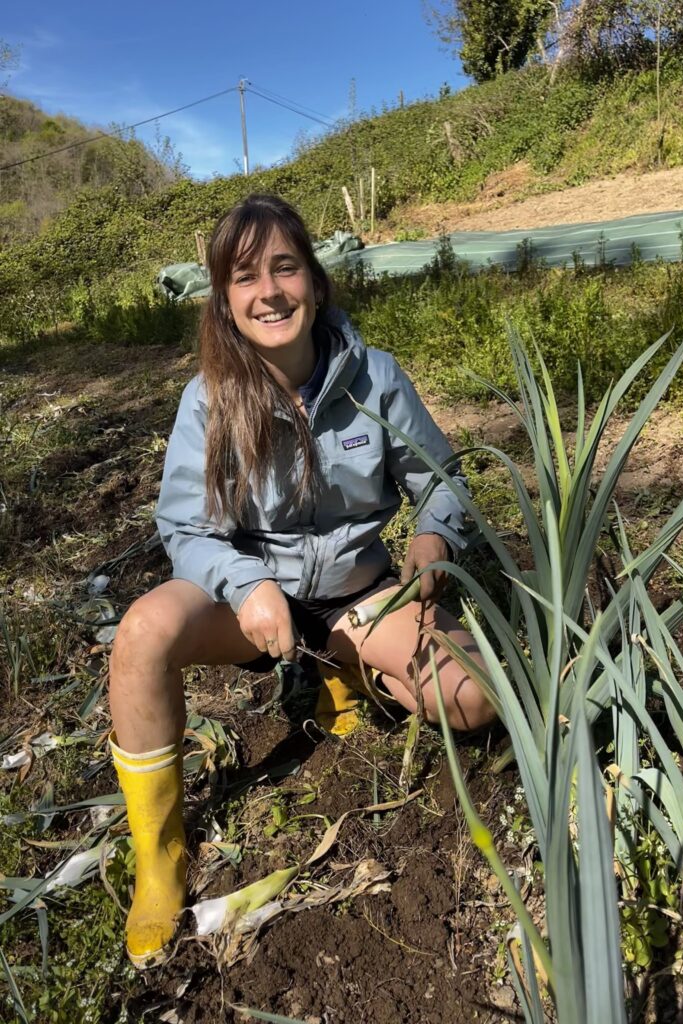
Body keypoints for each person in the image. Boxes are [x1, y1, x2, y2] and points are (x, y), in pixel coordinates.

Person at [107, 192, 495, 969]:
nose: (269, 291)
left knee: (472, 698)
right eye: (245, 277)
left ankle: (344, 670)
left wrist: (430, 532)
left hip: (358, 595)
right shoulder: (210, 399)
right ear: (225, 301)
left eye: (285, 267)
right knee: (143, 633)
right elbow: (183, 528)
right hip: (253, 605)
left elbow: (444, 479)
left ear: (315, 283)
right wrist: (247, 584)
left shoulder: (376, 380)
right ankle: (160, 854)